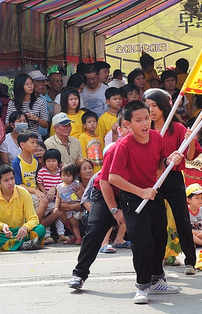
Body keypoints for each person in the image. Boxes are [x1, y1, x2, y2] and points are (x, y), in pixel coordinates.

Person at [108, 100, 184, 304]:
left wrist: (169, 161)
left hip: (152, 194)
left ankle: (157, 278)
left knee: (160, 238)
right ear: (127, 124)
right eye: (138, 120)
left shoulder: (157, 138)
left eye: (147, 118)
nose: (144, 124)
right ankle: (142, 286)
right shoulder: (124, 145)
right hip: (133, 197)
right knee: (143, 242)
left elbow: (160, 164)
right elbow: (113, 178)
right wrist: (140, 191)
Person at [68, 111, 131, 290]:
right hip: (105, 191)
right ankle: (79, 274)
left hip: (132, 192)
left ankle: (154, 276)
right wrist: (114, 210)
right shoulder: (113, 149)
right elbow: (105, 182)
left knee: (147, 231)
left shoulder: (149, 145)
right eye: (126, 125)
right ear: (120, 129)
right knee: (95, 231)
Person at [144, 88, 202, 274]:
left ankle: (190, 261)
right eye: (148, 106)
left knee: (183, 220)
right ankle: (157, 259)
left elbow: (191, 156)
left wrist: (190, 140)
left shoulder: (177, 128)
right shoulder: (146, 130)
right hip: (154, 179)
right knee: (157, 221)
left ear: (162, 106)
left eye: (154, 106)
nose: (151, 110)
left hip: (174, 178)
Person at [0, 163, 45, 251]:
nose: (10, 183)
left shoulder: (24, 193)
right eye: (6, 180)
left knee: (40, 229)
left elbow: (33, 219)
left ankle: (0, 244)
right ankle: (22, 245)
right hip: (0, 232)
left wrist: (26, 227)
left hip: (19, 231)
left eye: (12, 178)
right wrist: (1, 226)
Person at [5, 73, 48, 138]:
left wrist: (36, 119)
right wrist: (18, 120)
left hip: (34, 138)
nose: (30, 86)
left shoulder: (39, 102)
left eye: (31, 83)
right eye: (27, 84)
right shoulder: (12, 103)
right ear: (20, 86)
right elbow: (7, 125)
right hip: (17, 138)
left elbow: (45, 124)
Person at [36, 149, 64, 243]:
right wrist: (45, 193)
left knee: (58, 213)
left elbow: (62, 185)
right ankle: (47, 235)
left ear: (58, 161)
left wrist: (54, 190)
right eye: (48, 161)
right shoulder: (42, 172)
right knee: (46, 214)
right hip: (46, 199)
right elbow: (39, 183)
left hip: (57, 199)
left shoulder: (60, 172)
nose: (51, 163)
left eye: (54, 161)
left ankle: (61, 234)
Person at [53, 163, 83, 244]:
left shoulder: (76, 183)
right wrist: (56, 207)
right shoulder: (59, 187)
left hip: (79, 207)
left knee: (83, 219)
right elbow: (58, 198)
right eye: (64, 175)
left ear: (73, 176)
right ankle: (78, 238)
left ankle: (83, 236)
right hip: (69, 211)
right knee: (74, 224)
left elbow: (82, 193)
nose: (66, 178)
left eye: (69, 176)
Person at [12, 131, 42, 198]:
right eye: (32, 142)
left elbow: (35, 179)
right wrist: (35, 191)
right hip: (23, 193)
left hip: (35, 191)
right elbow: (18, 185)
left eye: (36, 143)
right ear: (22, 145)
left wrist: (39, 191)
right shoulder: (17, 162)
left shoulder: (35, 159)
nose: (35, 145)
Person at [28, 70, 51, 139]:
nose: (42, 84)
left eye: (43, 82)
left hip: (42, 137)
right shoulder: (25, 100)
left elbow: (45, 122)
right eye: (38, 82)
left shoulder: (43, 99)